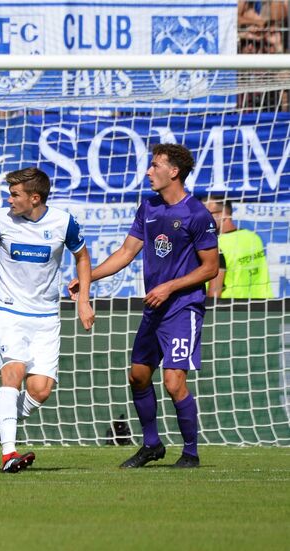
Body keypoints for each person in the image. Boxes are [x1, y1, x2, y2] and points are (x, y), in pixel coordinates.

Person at [71, 143, 219, 469]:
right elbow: (126, 252)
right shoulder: (149, 207)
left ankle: (191, 454)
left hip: (183, 307)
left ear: (174, 171)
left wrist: (169, 286)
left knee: (173, 382)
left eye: (155, 166)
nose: (148, 172)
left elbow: (210, 268)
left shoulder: (197, 214)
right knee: (138, 376)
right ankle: (152, 445)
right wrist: (88, 277)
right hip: (155, 308)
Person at [0, 167, 95, 473]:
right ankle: (8, 453)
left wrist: (85, 300)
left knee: (40, 390)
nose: (9, 199)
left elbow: (83, 258)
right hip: (10, 311)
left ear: (34, 198)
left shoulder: (64, 223)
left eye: (15, 194)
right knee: (14, 371)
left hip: (47, 316)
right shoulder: (0, 219)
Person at [203, 196, 273, 299]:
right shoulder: (254, 237)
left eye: (206, 214)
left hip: (230, 310)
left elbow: (214, 295)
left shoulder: (217, 245)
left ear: (224, 214)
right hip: (264, 306)